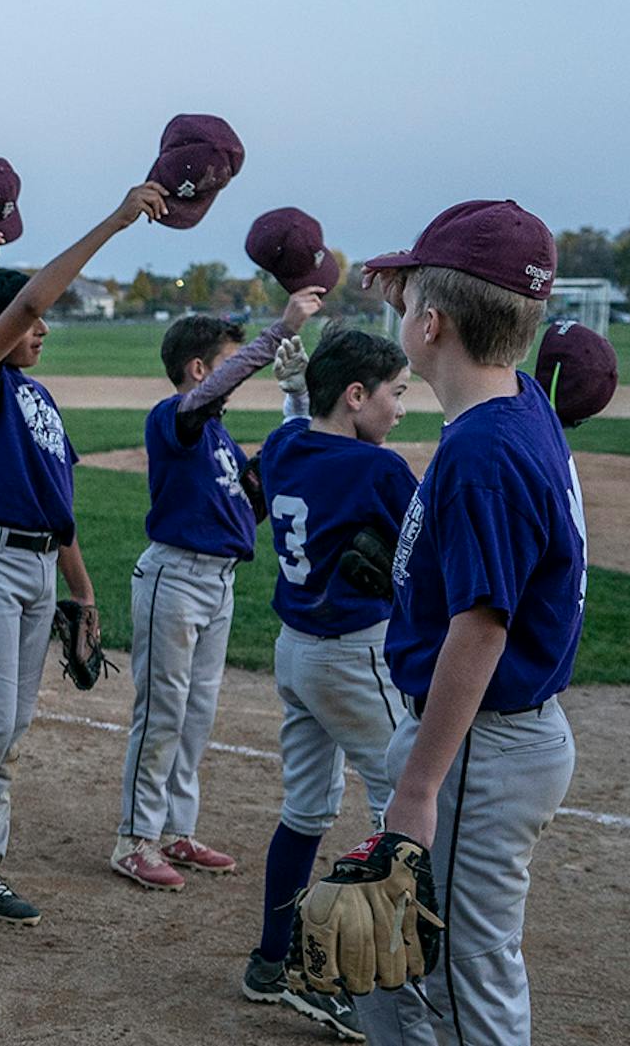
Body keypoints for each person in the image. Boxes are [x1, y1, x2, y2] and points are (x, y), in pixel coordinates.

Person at [0, 181, 169, 939]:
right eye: (31, 318)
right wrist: (114, 221)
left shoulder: (39, 401)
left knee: (8, 728)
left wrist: (83, 595)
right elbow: (23, 301)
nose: (41, 327)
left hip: (36, 567)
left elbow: (60, 507)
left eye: (42, 319)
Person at [355, 201, 584, 1045]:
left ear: (432, 323)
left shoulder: (485, 454)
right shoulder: (517, 399)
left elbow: (481, 626)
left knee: (460, 975)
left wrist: (417, 788)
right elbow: (468, 344)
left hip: (478, 743)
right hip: (490, 737)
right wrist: (413, 302)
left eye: (411, 298)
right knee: (387, 957)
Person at [111, 284, 323, 892]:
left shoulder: (219, 441)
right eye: (228, 365)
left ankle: (175, 829)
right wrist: (277, 332)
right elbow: (206, 396)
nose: (237, 377)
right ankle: (134, 838)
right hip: (174, 577)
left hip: (217, 584)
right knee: (162, 713)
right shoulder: (172, 419)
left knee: (196, 714)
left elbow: (254, 496)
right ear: (202, 370)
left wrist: (297, 398)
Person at [241, 329, 417, 1040]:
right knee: (400, 809)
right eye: (394, 392)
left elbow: (290, 443)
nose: (402, 408)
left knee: (307, 808)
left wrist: (293, 393)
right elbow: (428, 556)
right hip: (355, 654)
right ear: (355, 396)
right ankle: (353, 978)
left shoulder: (284, 446)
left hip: (295, 651)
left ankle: (270, 961)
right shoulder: (380, 470)